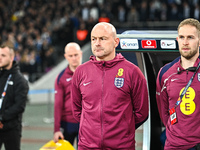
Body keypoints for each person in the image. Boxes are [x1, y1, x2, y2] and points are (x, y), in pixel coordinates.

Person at [71, 22, 149, 150]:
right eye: (93, 39)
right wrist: (93, 129)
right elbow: (77, 111)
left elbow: (142, 112)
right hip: (87, 146)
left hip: (121, 146)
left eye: (103, 39)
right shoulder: (80, 72)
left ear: (116, 41)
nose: (97, 43)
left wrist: (122, 129)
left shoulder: (133, 72)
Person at [156, 18, 200, 150]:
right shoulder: (165, 73)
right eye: (182, 37)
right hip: (174, 146)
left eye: (190, 37)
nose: (185, 42)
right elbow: (163, 113)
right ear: (177, 40)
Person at [0, 43, 29, 150]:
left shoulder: (20, 80)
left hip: (11, 129)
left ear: (12, 57)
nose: (0, 58)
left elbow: (19, 106)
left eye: (3, 55)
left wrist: (1, 117)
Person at [53, 42, 82, 147]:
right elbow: (58, 105)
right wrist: (56, 129)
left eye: (76, 55)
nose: (74, 58)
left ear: (81, 54)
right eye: (70, 55)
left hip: (85, 123)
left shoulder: (89, 73)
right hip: (67, 123)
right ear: (65, 57)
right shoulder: (61, 77)